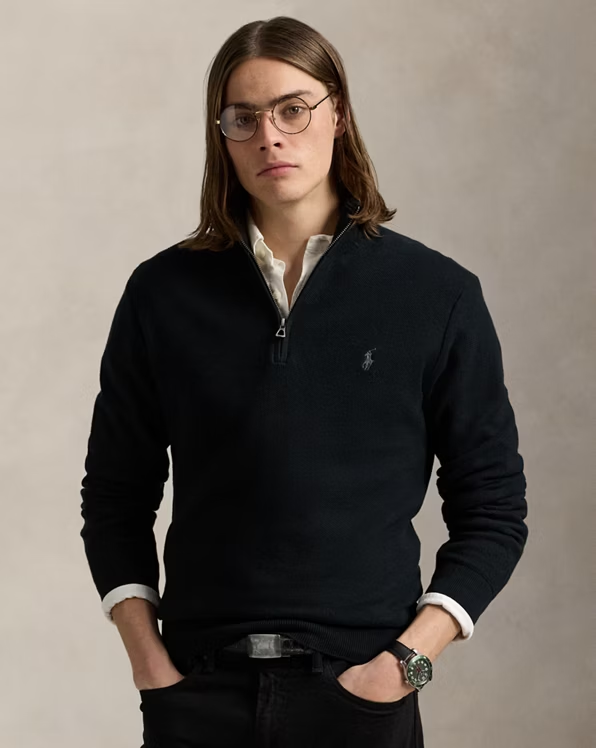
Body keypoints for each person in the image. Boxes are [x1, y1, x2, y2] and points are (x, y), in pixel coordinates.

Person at [79, 16, 528, 748]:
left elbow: (495, 509)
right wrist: (147, 663)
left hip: (361, 694)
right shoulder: (162, 294)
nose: (270, 137)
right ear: (222, 136)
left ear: (338, 113)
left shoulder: (436, 295)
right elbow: (114, 495)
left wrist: (405, 666)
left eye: (293, 109)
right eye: (243, 118)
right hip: (195, 693)